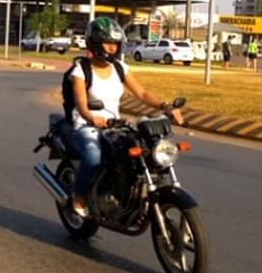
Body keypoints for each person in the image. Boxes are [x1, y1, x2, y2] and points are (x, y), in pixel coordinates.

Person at [67, 17, 184, 218]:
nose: (113, 48)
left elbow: (142, 93)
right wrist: (92, 117)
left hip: (114, 126)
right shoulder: (81, 71)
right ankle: (78, 196)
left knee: (143, 152)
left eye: (115, 43)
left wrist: (166, 106)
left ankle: (124, 194)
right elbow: (81, 105)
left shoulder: (120, 68)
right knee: (94, 157)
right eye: (108, 43)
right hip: (86, 126)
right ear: (95, 43)